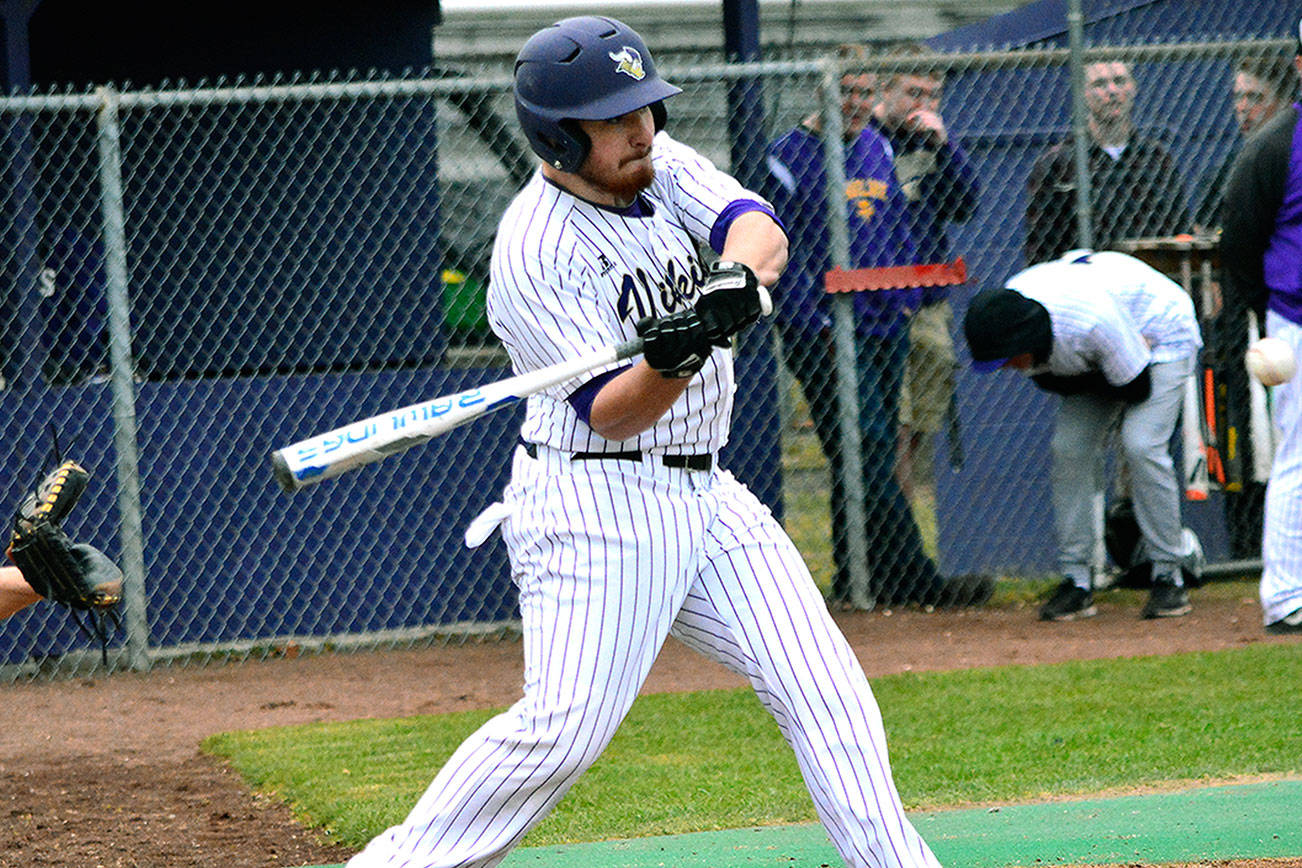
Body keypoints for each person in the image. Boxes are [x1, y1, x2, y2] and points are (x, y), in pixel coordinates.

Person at [345, 18, 945, 868]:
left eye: (645, 109)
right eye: (614, 118)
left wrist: (732, 279)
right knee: (562, 734)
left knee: (824, 686)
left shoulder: (658, 167)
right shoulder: (535, 249)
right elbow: (616, 411)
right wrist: (681, 350)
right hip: (597, 504)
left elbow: (757, 224)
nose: (641, 130)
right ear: (558, 133)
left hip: (707, 492)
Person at [764, 44, 991, 610]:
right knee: (861, 443)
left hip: (883, 319)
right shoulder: (787, 156)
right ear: (823, 92)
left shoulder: (875, 147)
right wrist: (804, 317)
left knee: (869, 448)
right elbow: (771, 247)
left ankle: (855, 580)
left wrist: (907, 295)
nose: (859, 103)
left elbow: (896, 225)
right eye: (849, 92)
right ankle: (916, 578)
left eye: (866, 92)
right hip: (820, 327)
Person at [963, 250, 1203, 621]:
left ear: (1025, 339)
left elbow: (1135, 388)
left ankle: (1169, 574)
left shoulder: (1087, 322)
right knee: (1069, 449)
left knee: (1141, 445)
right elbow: (1058, 381)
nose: (1007, 367)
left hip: (1159, 329)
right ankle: (1077, 580)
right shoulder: (1015, 314)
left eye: (1009, 357)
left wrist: (1106, 376)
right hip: (1104, 350)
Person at [1192, 54, 1295, 562]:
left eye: (1255, 97)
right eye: (1238, 97)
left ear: (1279, 99)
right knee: (1238, 441)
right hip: (1243, 331)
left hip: (1273, 319)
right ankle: (1246, 553)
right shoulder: (1237, 166)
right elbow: (1225, 245)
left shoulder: (1278, 153)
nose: (1244, 108)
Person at [867, 42, 980, 500]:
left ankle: (901, 521)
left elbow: (966, 205)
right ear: (885, 90)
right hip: (879, 301)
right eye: (914, 93)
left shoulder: (931, 143)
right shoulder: (862, 138)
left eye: (933, 96)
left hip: (929, 300)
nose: (925, 106)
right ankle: (894, 527)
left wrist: (945, 145)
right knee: (895, 418)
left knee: (921, 421)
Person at [1218, 19, 1302, 635]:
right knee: (1299, 459)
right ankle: (1286, 597)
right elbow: (1240, 245)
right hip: (1296, 323)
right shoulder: (1275, 144)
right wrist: (1263, 317)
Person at [1025, 60, 1188, 265]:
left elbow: (1179, 228)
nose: (1111, 91)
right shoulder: (1059, 164)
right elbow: (1041, 245)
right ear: (1082, 93)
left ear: (1133, 88)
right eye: (1100, 84)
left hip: (1149, 276)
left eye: (1119, 81)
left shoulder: (1156, 159)